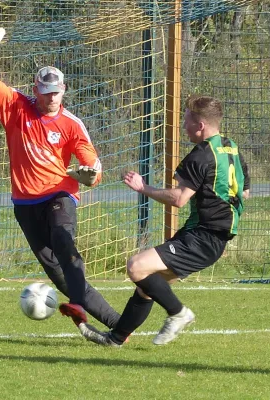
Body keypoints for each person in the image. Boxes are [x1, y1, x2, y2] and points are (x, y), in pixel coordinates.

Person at [0, 20, 120, 332]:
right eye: (45, 92)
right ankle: (117, 324)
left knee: (62, 240)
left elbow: (91, 162)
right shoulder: (15, 106)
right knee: (59, 277)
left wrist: (90, 175)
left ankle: (82, 306)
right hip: (25, 204)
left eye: (56, 92)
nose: (51, 98)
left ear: (63, 90)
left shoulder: (71, 123)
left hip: (59, 195)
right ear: (35, 90)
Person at [82, 94, 250, 346]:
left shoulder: (201, 155)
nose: (184, 126)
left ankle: (178, 313)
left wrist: (143, 188)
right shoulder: (232, 148)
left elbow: (179, 198)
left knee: (136, 266)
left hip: (202, 236)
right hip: (214, 238)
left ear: (200, 125)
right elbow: (245, 192)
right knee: (148, 285)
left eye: (187, 121)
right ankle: (115, 339)